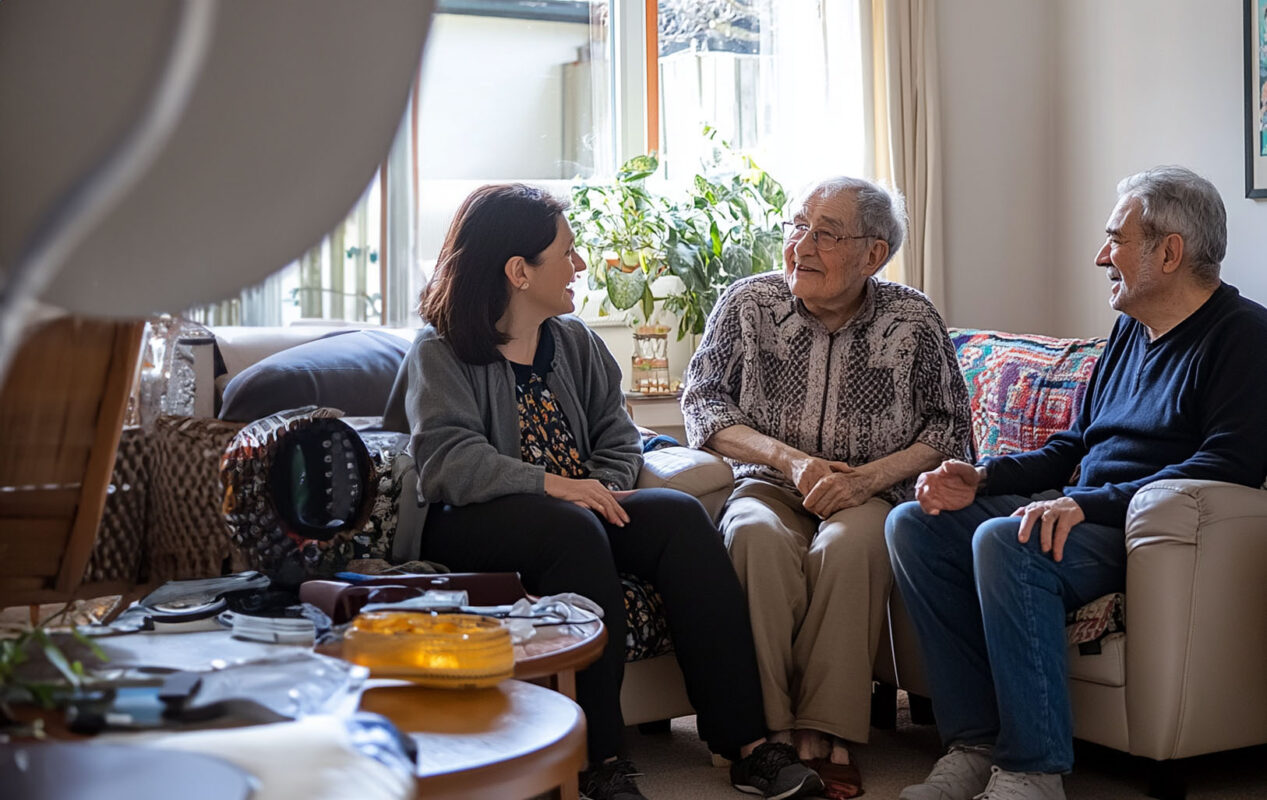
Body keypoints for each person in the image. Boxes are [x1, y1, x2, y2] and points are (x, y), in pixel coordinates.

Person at [383, 183, 823, 800]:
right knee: (572, 527)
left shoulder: (576, 341)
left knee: (674, 515)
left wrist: (601, 490)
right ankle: (598, 758)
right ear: (518, 270)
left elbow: (621, 441)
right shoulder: (440, 349)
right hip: (469, 520)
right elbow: (447, 463)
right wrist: (558, 487)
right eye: (567, 251)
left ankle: (746, 743)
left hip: (574, 517)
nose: (581, 265)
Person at [885, 165, 1267, 800]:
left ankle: (1033, 772)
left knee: (1006, 543)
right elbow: (1078, 444)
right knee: (915, 525)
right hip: (1080, 512)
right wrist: (981, 477)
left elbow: (1226, 467)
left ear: (1169, 252)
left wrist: (1085, 504)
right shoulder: (1129, 333)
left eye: (1116, 238)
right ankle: (974, 745)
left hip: (1147, 533)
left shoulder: (1245, 339)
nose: (1101, 256)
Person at [681, 176, 973, 798]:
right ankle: (766, 736)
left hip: (869, 491)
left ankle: (825, 730)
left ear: (873, 254)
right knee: (754, 537)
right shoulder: (747, 303)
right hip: (770, 484)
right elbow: (703, 405)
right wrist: (789, 460)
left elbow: (949, 431)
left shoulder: (913, 318)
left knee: (848, 547)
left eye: (826, 234)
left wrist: (869, 477)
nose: (801, 246)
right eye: (797, 227)